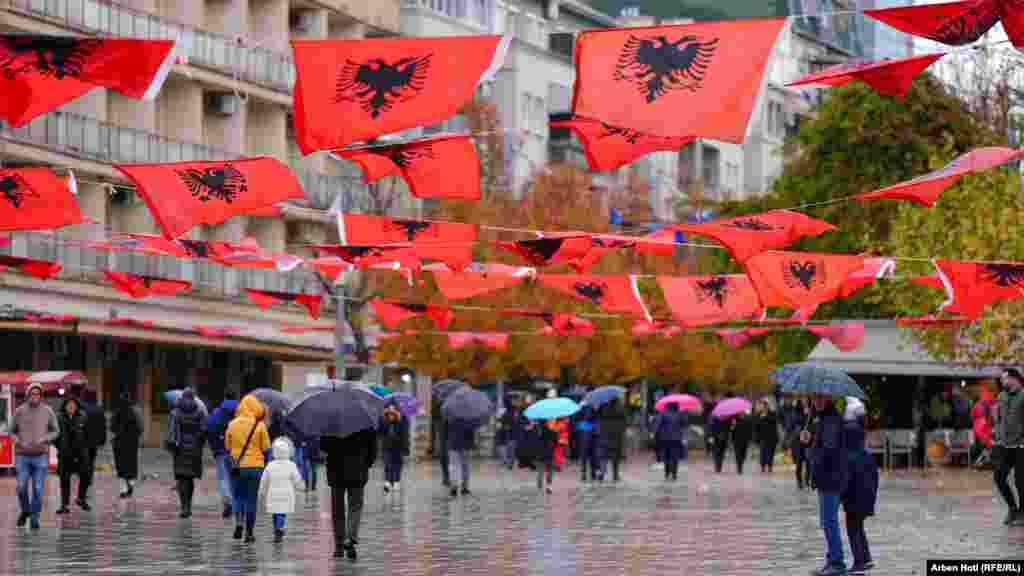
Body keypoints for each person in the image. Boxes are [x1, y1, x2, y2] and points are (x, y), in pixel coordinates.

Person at [805, 395, 849, 576]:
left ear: (829, 398)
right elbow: (822, 445)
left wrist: (811, 451)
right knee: (826, 521)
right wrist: (809, 440)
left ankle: (837, 563)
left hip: (831, 477)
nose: (817, 401)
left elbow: (828, 449)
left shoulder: (830, 420)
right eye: (815, 397)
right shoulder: (823, 418)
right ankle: (832, 560)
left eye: (821, 397)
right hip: (827, 477)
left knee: (829, 522)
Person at [322, 428, 377, 560]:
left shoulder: (330, 422)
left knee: (337, 510)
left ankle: (339, 546)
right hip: (358, 469)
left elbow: (323, 446)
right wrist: (365, 463)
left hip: (336, 471)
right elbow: (373, 450)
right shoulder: (366, 423)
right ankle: (350, 538)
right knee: (355, 506)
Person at [12, 382, 59, 530]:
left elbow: (56, 430)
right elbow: (11, 430)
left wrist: (46, 439)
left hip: (40, 456)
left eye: (38, 394)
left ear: (41, 396)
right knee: (21, 487)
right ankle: (25, 510)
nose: (35, 396)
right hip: (22, 456)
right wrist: (17, 440)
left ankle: (34, 516)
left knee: (38, 489)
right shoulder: (19, 411)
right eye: (32, 393)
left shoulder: (48, 411)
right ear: (28, 395)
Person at [225, 394, 271, 542]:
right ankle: (249, 533)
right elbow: (266, 449)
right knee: (251, 499)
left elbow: (227, 446)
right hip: (255, 467)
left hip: (237, 467)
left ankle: (239, 523)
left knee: (238, 497)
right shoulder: (260, 425)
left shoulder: (232, 424)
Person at [841, 398, 878, 575]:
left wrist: (842, 495)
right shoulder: (866, 455)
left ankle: (859, 561)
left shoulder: (849, 457)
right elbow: (874, 479)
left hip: (854, 499)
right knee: (859, 527)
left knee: (852, 528)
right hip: (866, 498)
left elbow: (846, 480)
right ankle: (866, 557)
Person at [167, 388, 207, 519]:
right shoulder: (200, 412)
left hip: (180, 450)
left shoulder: (175, 412)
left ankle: (184, 506)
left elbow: (172, 431)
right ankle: (188, 505)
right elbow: (203, 431)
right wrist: (199, 443)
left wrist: (172, 445)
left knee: (181, 478)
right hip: (194, 450)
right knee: (189, 478)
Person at [258, 436, 305, 543]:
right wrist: (301, 486)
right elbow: (297, 479)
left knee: (275, 512)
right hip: (286, 494)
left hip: (273, 494)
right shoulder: (291, 465)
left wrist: (261, 491)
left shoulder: (270, 465)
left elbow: (264, 480)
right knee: (282, 512)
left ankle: (277, 529)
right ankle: (279, 528)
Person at [994, 368, 1024, 526]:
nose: (1001, 381)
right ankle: (1013, 508)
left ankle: (1022, 513)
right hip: (1005, 445)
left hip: (1021, 446)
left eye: (1004, 378)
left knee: (1021, 481)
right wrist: (997, 437)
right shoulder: (1001, 396)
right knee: (999, 477)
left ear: (1014, 379)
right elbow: (998, 419)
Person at [71, 385, 105, 510]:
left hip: (82, 442)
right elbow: (102, 427)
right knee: (89, 464)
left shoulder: (81, 408)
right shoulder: (99, 409)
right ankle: (86, 483)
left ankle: (83, 488)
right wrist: (102, 441)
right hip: (93, 443)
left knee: (83, 465)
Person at [56, 396, 90, 515]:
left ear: (77, 406)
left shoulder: (83, 417)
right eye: (69, 405)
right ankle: (64, 505)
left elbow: (88, 433)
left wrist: (86, 447)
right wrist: (59, 446)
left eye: (73, 405)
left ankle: (81, 498)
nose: (71, 407)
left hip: (81, 453)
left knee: (85, 475)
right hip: (65, 454)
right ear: (65, 406)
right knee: (64, 479)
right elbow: (55, 434)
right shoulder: (59, 417)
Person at [207, 396, 239, 517]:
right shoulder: (240, 412)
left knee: (223, 478)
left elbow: (210, 430)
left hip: (221, 452)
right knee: (234, 478)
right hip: (236, 452)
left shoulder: (216, 413)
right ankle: (236, 503)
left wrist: (215, 449)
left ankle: (227, 501)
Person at [110, 393, 142, 498]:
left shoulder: (116, 412)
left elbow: (112, 427)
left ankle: (123, 488)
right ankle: (131, 482)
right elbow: (140, 428)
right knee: (131, 464)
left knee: (121, 466)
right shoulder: (135, 411)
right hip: (132, 443)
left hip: (119, 443)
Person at [380, 404, 409, 493]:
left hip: (398, 446)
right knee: (388, 464)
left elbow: (405, 433)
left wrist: (405, 448)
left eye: (393, 412)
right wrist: (385, 419)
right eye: (390, 412)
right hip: (387, 446)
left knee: (397, 464)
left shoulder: (402, 419)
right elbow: (381, 431)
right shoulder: (384, 419)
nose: (391, 414)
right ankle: (388, 481)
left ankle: (396, 481)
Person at [447, 418, 476, 497]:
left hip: (454, 441)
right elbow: (473, 428)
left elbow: (446, 426)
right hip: (466, 442)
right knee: (465, 465)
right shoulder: (471, 414)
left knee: (453, 465)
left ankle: (454, 487)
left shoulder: (451, 411)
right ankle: (465, 487)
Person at [600, 398, 627, 483]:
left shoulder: (604, 410)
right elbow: (625, 423)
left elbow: (602, 422)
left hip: (606, 435)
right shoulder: (621, 410)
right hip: (617, 436)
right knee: (615, 457)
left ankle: (602, 474)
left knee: (604, 456)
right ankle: (615, 475)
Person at [658, 404, 685, 481]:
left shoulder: (664, 413)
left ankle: (667, 473)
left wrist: (657, 434)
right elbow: (683, 424)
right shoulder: (680, 414)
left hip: (665, 438)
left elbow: (659, 425)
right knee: (675, 457)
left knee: (666, 456)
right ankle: (674, 474)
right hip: (676, 438)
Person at [533, 418, 559, 494]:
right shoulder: (551, 431)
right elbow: (556, 441)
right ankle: (549, 486)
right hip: (549, 453)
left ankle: (539, 484)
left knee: (540, 469)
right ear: (547, 422)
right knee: (550, 470)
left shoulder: (537, 432)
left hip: (539, 453)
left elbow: (533, 442)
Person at [756, 401, 780, 473]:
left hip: (772, 437)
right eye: (762, 407)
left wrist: (765, 417)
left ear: (767, 407)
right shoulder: (759, 415)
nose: (764, 408)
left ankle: (770, 466)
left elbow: (774, 421)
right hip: (763, 437)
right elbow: (756, 425)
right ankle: (763, 466)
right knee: (763, 452)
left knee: (770, 453)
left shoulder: (772, 413)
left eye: (765, 406)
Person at [576, 405, 596, 482]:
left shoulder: (580, 407)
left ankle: (584, 474)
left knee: (584, 455)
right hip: (590, 431)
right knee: (591, 455)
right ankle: (592, 473)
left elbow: (576, 419)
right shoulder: (593, 407)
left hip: (582, 431)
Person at [732, 410, 752, 475]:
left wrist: (750, 438)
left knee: (743, 455)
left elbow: (750, 429)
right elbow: (732, 429)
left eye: (742, 412)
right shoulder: (734, 419)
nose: (741, 413)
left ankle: (741, 463)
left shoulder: (748, 419)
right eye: (740, 412)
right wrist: (733, 425)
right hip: (736, 440)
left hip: (745, 439)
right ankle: (739, 467)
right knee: (738, 454)